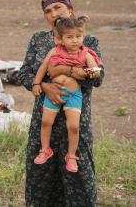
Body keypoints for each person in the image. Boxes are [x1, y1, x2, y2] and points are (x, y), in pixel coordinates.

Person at [19, 0, 104, 206]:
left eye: (58, 7)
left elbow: (98, 77)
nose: (53, 13)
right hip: (44, 118)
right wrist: (45, 85)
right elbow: (25, 73)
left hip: (75, 121)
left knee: (79, 179)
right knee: (41, 178)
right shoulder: (38, 40)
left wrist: (69, 71)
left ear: (71, 10)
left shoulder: (88, 42)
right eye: (47, 10)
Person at [31, 15, 101, 173]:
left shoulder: (86, 54)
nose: (75, 40)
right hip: (54, 93)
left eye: (78, 36)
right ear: (61, 39)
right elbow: (43, 67)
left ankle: (71, 156)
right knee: (46, 123)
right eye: (70, 37)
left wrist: (91, 72)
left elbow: (96, 71)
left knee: (74, 126)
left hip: (73, 95)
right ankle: (45, 149)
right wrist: (36, 83)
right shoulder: (55, 51)